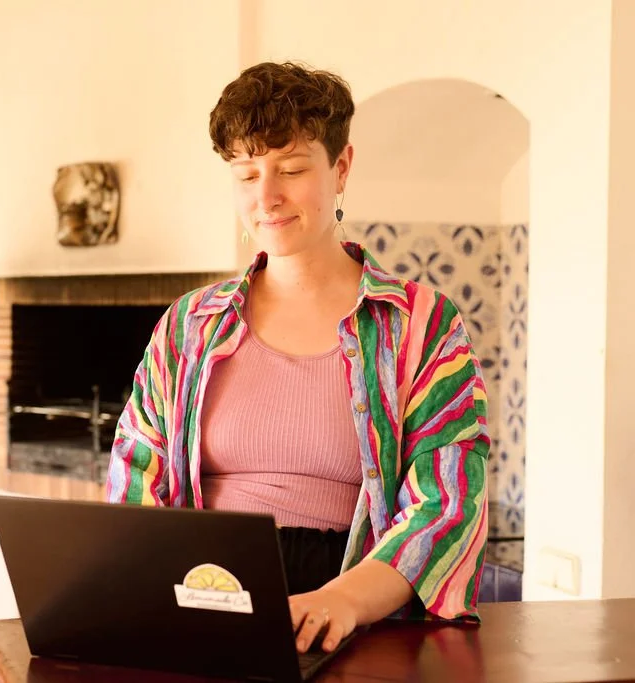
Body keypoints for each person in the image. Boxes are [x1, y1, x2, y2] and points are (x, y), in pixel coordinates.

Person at [105, 61, 489, 655]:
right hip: (204, 601)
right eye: (247, 173)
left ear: (340, 168)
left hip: (355, 609)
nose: (267, 197)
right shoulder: (189, 324)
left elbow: (449, 503)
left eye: (291, 168)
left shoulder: (421, 324)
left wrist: (343, 600)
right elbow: (135, 477)